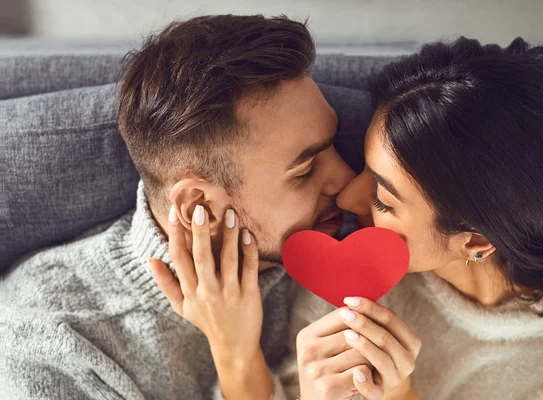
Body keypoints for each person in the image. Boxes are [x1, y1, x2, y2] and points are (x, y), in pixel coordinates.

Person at [157, 37, 543, 399]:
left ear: (475, 241)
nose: (348, 194)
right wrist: (236, 353)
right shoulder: (350, 277)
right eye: (366, 167)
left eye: (383, 200)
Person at [0, 15, 355, 400]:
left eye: (334, 144)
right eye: (304, 171)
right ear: (198, 205)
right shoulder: (51, 343)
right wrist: (237, 361)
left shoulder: (342, 250)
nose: (348, 180)